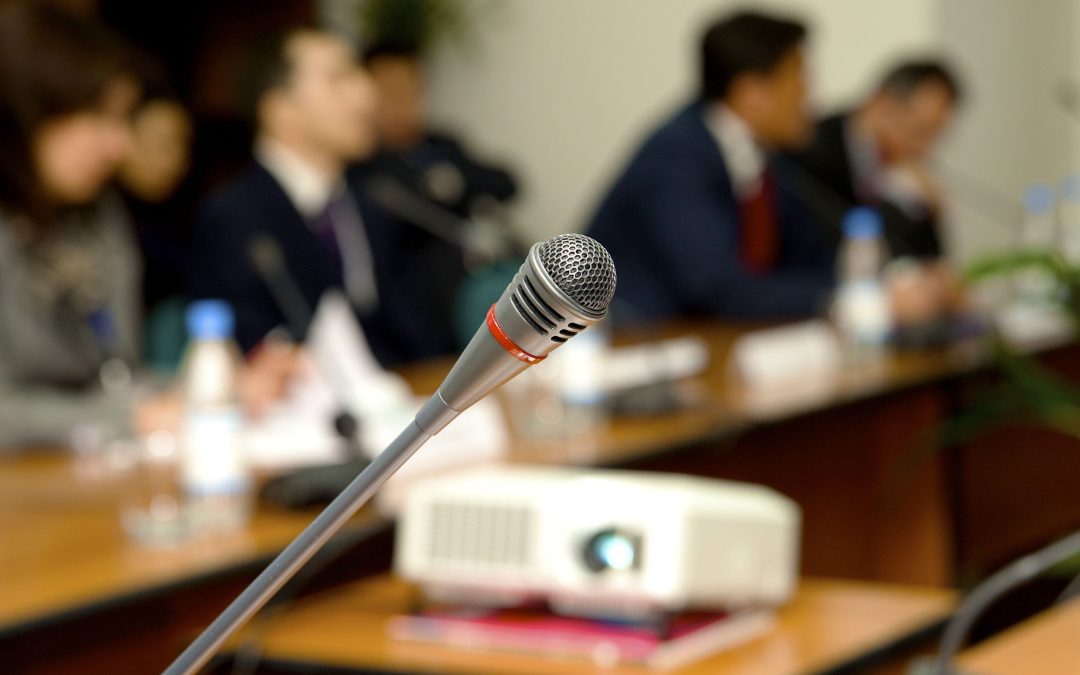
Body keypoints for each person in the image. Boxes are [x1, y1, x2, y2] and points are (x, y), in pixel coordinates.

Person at [188, 27, 442, 366]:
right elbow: (239, 352)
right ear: (281, 110)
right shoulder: (231, 218)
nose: (367, 93)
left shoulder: (378, 196)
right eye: (339, 78)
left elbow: (412, 328)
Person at [585, 11, 835, 322]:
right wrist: (843, 300)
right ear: (751, 94)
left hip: (702, 335)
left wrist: (858, 288)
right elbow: (718, 291)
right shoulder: (676, 157)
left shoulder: (769, 159)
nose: (808, 98)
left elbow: (810, 255)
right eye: (799, 82)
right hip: (630, 336)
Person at [0, 2, 171, 448]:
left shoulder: (93, 212)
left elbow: (118, 373)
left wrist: (203, 391)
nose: (120, 146)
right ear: (28, 110)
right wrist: (133, 418)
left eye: (124, 120)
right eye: (98, 117)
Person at [357, 42, 521, 349]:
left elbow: (507, 182)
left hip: (484, 271)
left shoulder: (442, 145)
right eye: (390, 92)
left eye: (410, 90)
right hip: (427, 303)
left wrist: (456, 181)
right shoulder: (364, 166)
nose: (402, 103)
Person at [789, 60, 962, 260]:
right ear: (881, 103)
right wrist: (899, 199)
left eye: (935, 135)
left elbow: (930, 260)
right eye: (919, 131)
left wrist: (924, 208)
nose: (923, 149)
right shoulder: (811, 146)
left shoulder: (904, 171)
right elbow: (841, 244)